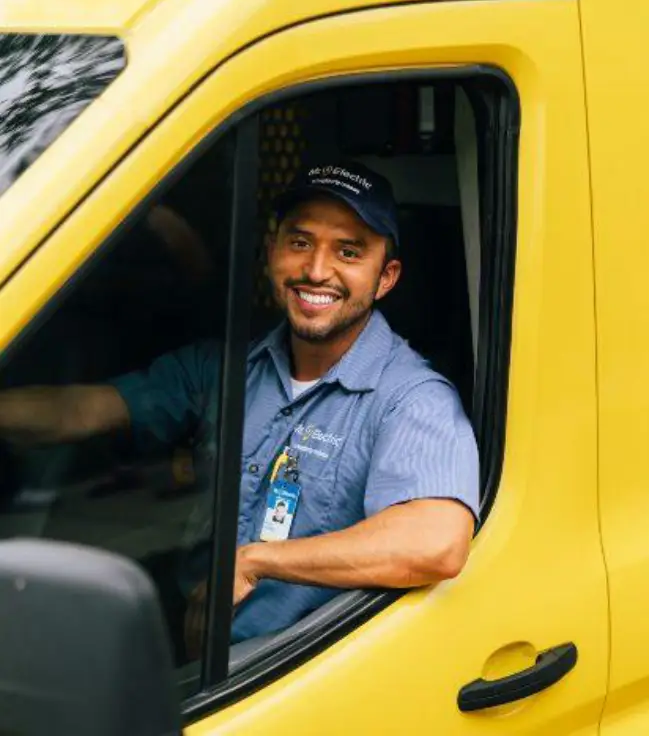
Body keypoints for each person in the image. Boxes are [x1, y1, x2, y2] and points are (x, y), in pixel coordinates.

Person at [0, 160, 479, 659]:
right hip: (185, 644)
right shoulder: (227, 367)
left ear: (386, 277)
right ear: (272, 252)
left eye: (349, 251)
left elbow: (434, 542)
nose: (316, 270)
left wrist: (255, 561)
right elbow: (79, 411)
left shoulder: (411, 398)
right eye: (300, 242)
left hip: (283, 672)